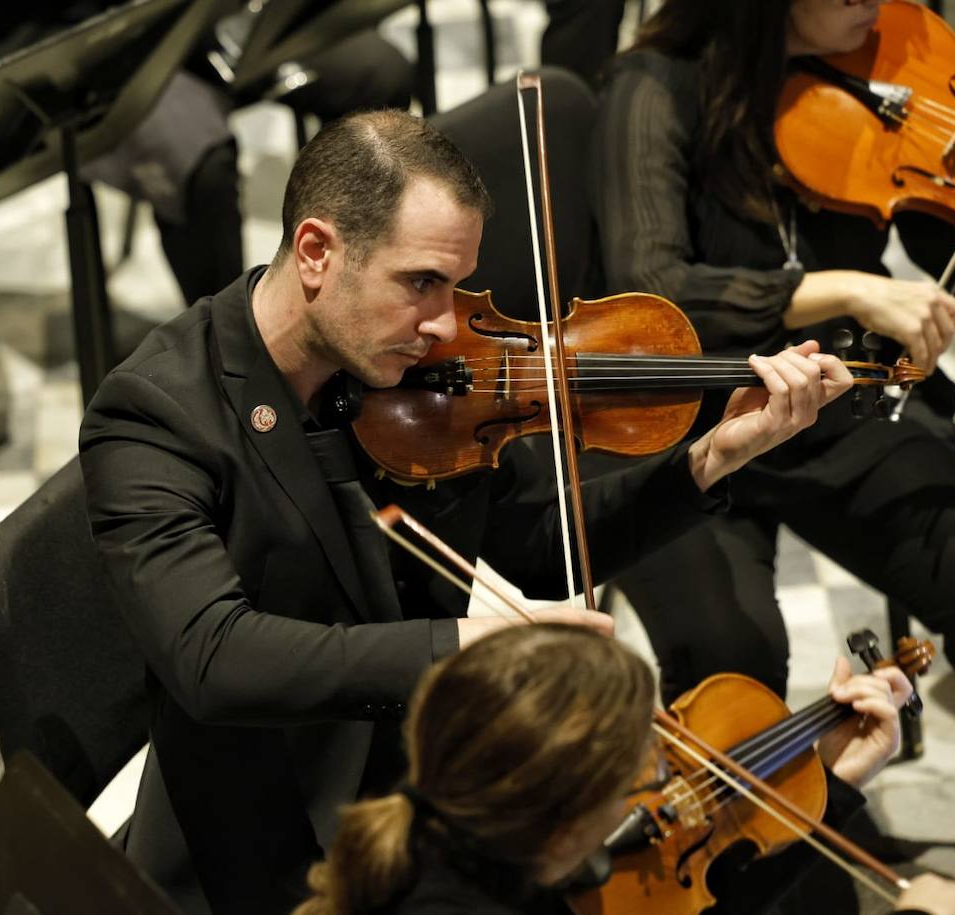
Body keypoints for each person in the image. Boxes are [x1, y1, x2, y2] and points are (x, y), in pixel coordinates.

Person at [79, 109, 853, 914]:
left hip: (423, 802)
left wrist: (709, 460)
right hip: (264, 845)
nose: (447, 322)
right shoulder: (158, 411)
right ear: (316, 252)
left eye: (454, 285)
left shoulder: (418, 378)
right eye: (419, 282)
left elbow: (530, 544)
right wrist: (461, 644)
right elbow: (213, 657)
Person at [589, 0, 955, 739]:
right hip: (690, 430)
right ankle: (749, 847)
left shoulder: (878, 80)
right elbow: (655, 292)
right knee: (733, 658)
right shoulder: (651, 89)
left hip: (836, 408)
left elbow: (943, 245)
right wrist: (845, 288)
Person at [292, 625, 955, 915]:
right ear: (572, 808)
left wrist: (841, 784)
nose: (671, 787)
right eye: (650, 760)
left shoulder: (431, 832)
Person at [0, 0, 415, 305]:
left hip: (191, 17)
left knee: (376, 71)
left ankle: (349, 289)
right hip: (74, 42)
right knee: (197, 160)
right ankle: (233, 359)